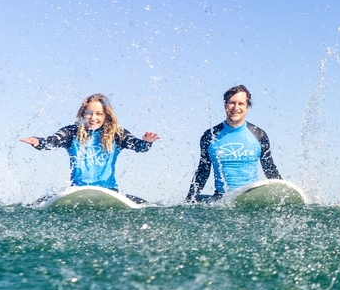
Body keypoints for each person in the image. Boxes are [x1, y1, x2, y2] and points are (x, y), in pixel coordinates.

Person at [20, 93, 160, 200]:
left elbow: (139, 147)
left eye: (99, 114)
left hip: (109, 191)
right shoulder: (72, 132)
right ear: (82, 114)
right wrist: (38, 142)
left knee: (145, 204)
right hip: (77, 191)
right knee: (37, 203)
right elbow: (52, 142)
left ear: (106, 116)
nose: (93, 118)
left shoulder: (117, 134)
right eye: (89, 113)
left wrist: (147, 142)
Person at [186, 85, 282, 203]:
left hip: (251, 198)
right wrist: (189, 198)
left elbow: (270, 169)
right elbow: (202, 171)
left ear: (247, 107)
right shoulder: (210, 136)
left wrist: (283, 193)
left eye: (241, 104)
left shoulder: (259, 135)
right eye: (232, 103)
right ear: (225, 105)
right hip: (222, 200)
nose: (236, 108)